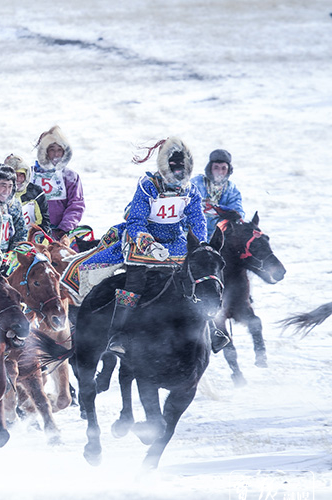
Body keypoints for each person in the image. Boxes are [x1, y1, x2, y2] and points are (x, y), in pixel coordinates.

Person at [75, 137, 229, 360]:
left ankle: (211, 329)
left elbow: (197, 220)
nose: (178, 170)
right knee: (134, 284)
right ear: (165, 166)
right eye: (174, 166)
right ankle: (118, 334)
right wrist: (149, 244)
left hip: (175, 242)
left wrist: (200, 245)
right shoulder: (148, 186)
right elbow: (136, 220)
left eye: (182, 166)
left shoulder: (191, 191)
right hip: (143, 243)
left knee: (194, 282)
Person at [29, 126, 85, 240]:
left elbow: (76, 204)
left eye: (59, 150)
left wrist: (64, 228)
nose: (56, 154)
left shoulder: (70, 176)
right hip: (32, 233)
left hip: (60, 234)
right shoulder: (29, 174)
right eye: (52, 150)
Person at [190, 149, 244, 235]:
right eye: (216, 168)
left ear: (228, 170)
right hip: (194, 232)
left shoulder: (231, 189)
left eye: (224, 168)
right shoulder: (196, 184)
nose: (220, 172)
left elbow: (238, 212)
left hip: (221, 234)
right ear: (210, 168)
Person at [0, 163, 27, 268]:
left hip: (6, 260)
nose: (6, 191)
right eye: (3, 185)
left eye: (10, 186)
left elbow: (21, 233)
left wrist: (13, 255)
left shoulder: (14, 205)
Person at [5, 153, 51, 234]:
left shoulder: (36, 192)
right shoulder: (1, 194)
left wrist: (37, 236)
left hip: (33, 237)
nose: (18, 179)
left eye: (21, 174)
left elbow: (44, 220)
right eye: (15, 175)